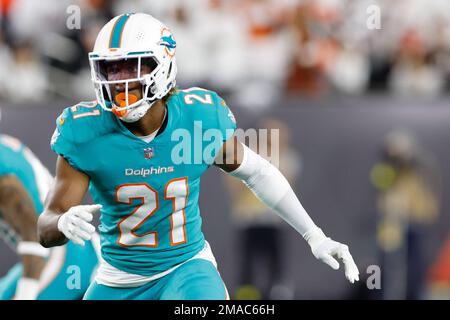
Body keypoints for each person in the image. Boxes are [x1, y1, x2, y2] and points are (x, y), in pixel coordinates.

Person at [37, 13, 359, 300]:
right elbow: (46, 225)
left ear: (160, 67)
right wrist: (62, 223)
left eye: (130, 68)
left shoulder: (196, 119)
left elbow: (257, 173)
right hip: (118, 279)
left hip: (185, 269)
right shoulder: (86, 131)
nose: (119, 81)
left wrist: (314, 235)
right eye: (111, 69)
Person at [0, 133, 98, 299]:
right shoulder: (4, 147)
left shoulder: (4, 178)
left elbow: (33, 241)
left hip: (63, 255)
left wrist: (25, 294)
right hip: (59, 250)